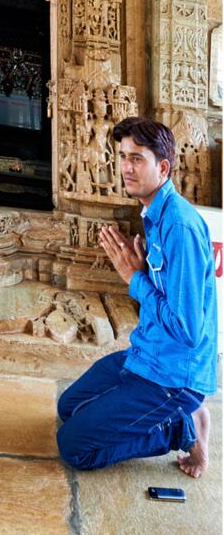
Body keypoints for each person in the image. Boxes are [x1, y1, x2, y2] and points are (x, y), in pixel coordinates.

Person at [57, 116, 217, 477]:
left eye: (137, 158)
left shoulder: (179, 226)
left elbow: (188, 329)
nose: (126, 167)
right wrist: (144, 273)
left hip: (174, 375)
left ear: (163, 167)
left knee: (74, 446)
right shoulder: (153, 214)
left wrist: (134, 278)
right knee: (69, 407)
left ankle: (182, 427)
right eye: (123, 156)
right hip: (147, 353)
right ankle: (174, 416)